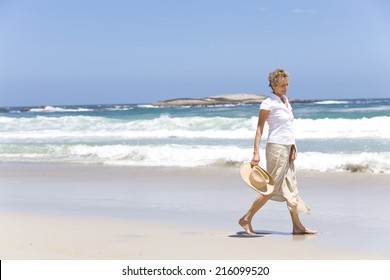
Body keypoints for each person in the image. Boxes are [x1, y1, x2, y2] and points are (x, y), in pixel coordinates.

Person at [238, 68, 316, 235]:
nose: (285, 88)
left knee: (291, 186)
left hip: (287, 148)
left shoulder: (285, 101)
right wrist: (256, 153)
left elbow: (288, 128)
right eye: (281, 85)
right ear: (273, 85)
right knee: (270, 188)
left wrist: (293, 147)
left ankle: (297, 226)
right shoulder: (268, 103)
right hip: (276, 148)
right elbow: (259, 129)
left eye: (287, 84)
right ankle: (246, 218)